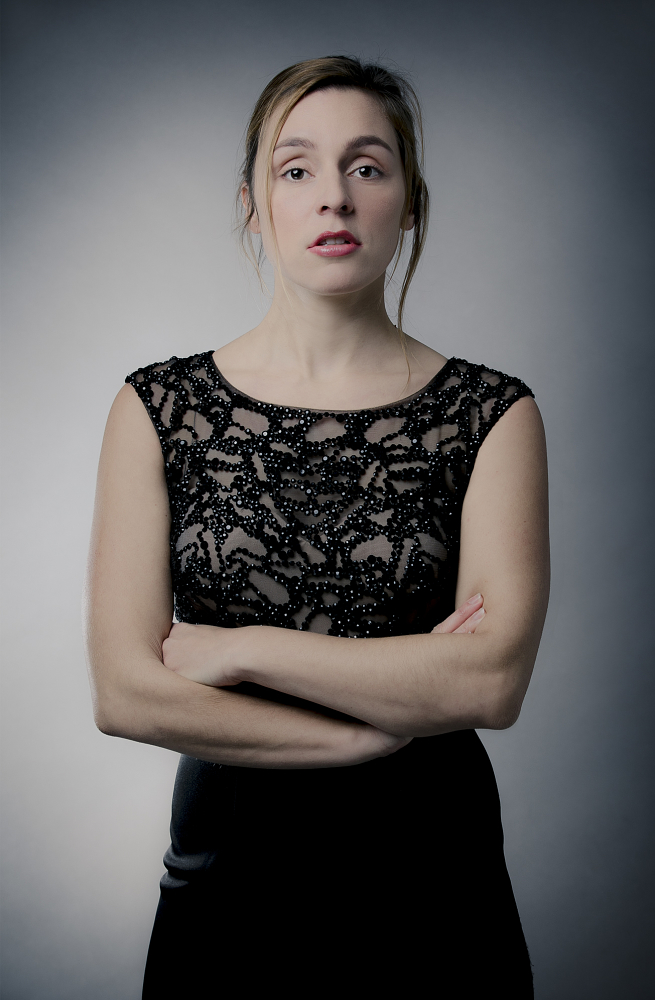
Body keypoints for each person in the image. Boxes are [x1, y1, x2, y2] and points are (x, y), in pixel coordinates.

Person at [85, 56, 549, 998]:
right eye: (295, 169)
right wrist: (359, 737)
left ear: (409, 204)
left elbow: (489, 682)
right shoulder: (158, 407)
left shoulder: (492, 413)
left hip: (435, 886)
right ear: (253, 206)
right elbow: (126, 694)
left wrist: (237, 648)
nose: (333, 196)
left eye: (366, 167)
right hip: (226, 880)